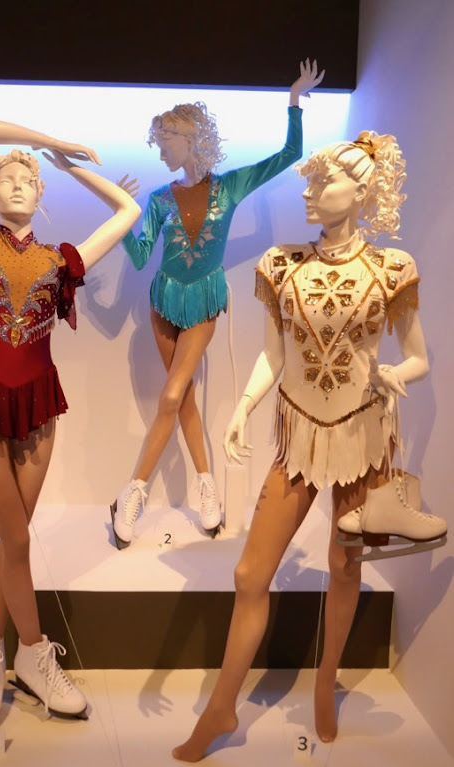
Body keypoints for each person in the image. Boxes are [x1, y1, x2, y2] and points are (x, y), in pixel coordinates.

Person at [172, 130, 439, 761]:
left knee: (344, 566)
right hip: (297, 434)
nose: (311, 192)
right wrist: (242, 407)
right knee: (249, 574)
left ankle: (326, 680)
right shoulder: (281, 264)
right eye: (311, 181)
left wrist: (396, 373)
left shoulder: (392, 268)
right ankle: (222, 706)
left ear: (362, 191)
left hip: (363, 434)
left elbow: (420, 357)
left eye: (326, 181)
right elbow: (273, 354)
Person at [0, 115, 140, 739]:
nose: (19, 183)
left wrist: (71, 168)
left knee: (12, 537)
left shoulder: (62, 259)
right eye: (7, 178)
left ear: (41, 193)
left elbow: (128, 210)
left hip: (37, 406)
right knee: (19, 539)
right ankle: (34, 650)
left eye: (29, 178)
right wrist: (49, 141)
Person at [111, 60, 324, 549]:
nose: (160, 151)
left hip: (204, 301)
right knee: (182, 397)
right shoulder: (160, 199)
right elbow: (141, 255)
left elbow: (290, 153)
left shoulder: (230, 187)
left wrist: (294, 100)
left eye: (165, 142)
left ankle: (132, 489)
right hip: (163, 301)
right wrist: (123, 216)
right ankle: (206, 483)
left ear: (189, 140)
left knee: (170, 397)